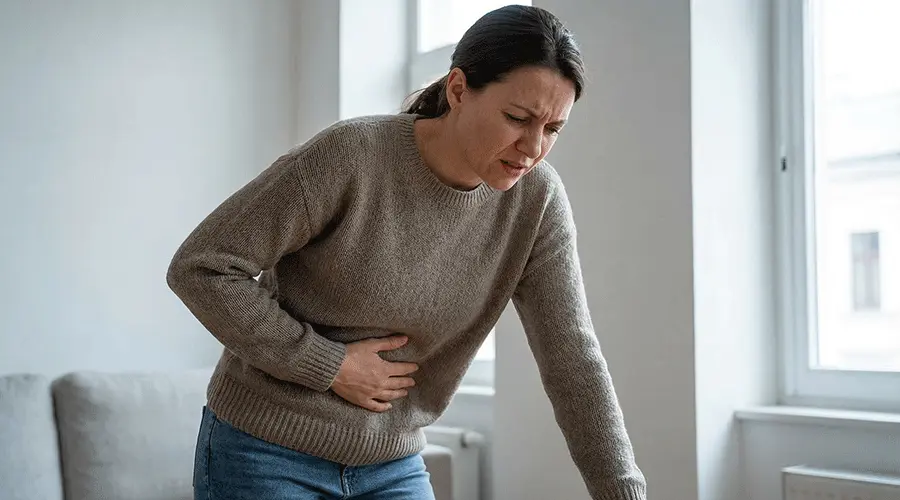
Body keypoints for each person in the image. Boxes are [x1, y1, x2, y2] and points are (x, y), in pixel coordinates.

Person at [167, 5, 646, 500]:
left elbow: (573, 357)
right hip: (264, 450)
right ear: (458, 89)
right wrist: (328, 364)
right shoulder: (351, 156)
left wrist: (623, 491)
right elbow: (203, 266)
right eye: (516, 118)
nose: (532, 148)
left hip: (392, 463)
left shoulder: (537, 203)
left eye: (552, 129)